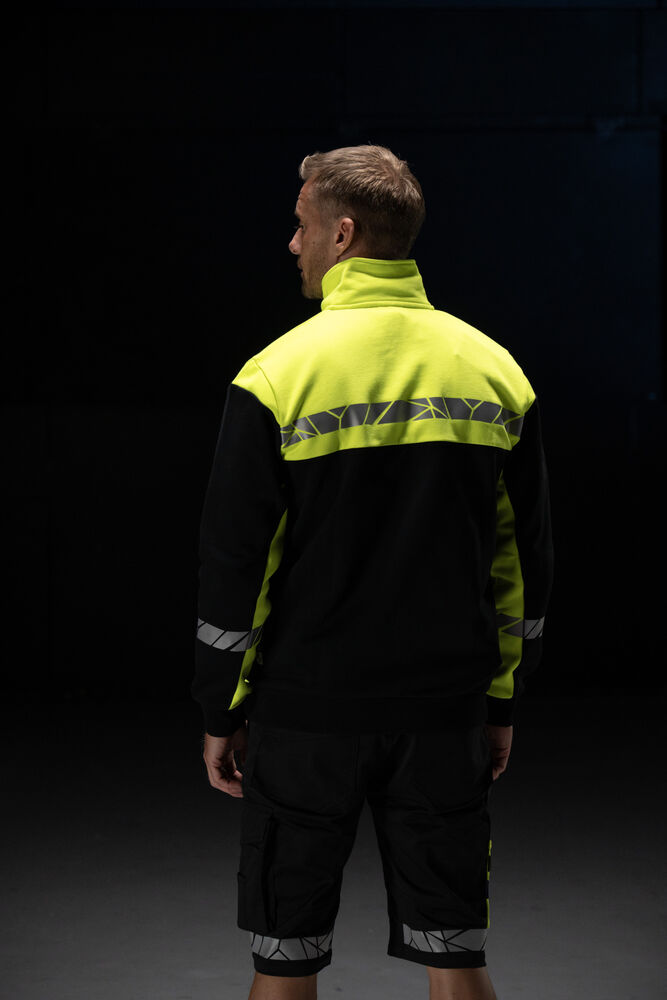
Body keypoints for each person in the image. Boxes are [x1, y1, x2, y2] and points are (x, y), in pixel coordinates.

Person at [192, 144, 554, 1000]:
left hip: (303, 719)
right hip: (444, 714)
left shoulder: (276, 375)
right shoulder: (494, 371)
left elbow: (236, 566)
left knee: (283, 963)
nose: (292, 243)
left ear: (343, 233)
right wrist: (500, 701)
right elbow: (521, 565)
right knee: (456, 957)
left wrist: (220, 709)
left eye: (300, 225)